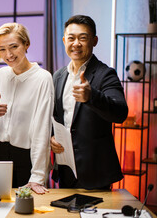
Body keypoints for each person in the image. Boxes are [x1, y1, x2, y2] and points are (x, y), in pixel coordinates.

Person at [50, 15, 128, 189]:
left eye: (83, 38)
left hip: (95, 170)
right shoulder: (58, 76)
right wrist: (51, 137)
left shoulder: (105, 74)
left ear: (94, 41)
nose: (76, 43)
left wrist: (91, 96)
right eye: (71, 38)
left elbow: (120, 113)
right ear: (64, 41)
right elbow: (53, 116)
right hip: (66, 168)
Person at [0, 23, 53, 194]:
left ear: (26, 44)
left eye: (14, 47)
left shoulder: (43, 78)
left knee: (25, 210)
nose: (8, 54)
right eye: (2, 49)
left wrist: (37, 176)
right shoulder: (0, 75)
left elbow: (42, 130)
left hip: (25, 158)